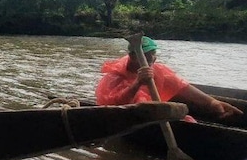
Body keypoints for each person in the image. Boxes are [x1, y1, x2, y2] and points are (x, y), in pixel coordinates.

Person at [95, 36, 243, 121]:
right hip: (129, 119)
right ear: (133, 57)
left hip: (154, 116)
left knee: (188, 119)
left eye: (153, 53)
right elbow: (112, 107)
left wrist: (212, 102)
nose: (152, 58)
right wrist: (137, 83)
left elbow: (183, 87)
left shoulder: (158, 69)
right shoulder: (115, 76)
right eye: (146, 55)